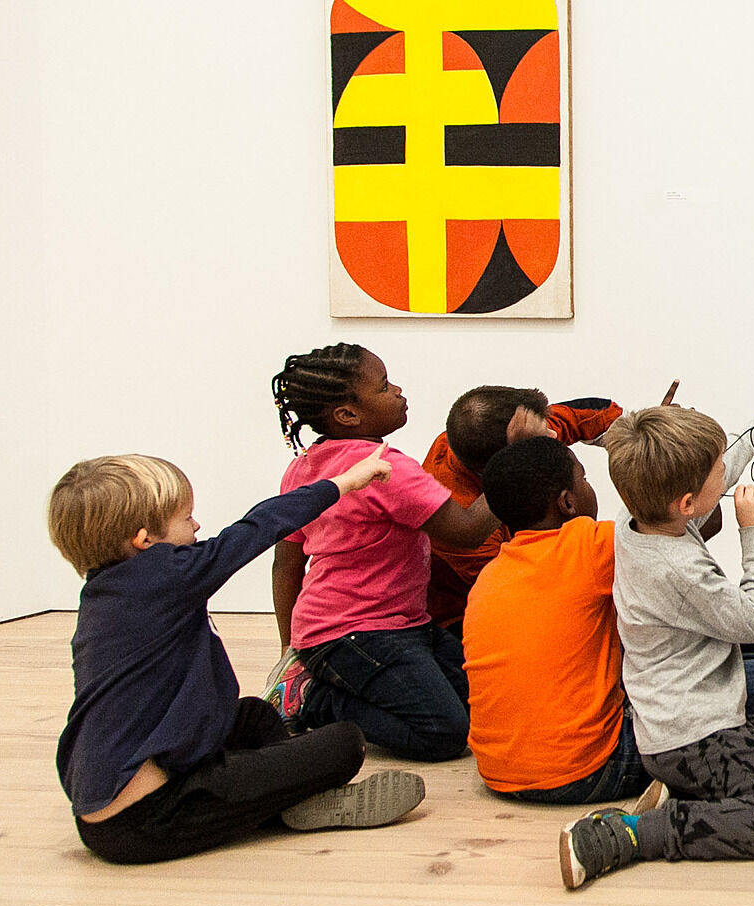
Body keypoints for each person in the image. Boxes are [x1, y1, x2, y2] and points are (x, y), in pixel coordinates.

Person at [49, 450, 425, 864]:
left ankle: (287, 797)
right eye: (185, 517)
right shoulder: (167, 577)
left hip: (115, 801)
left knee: (252, 716)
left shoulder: (105, 594)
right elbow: (258, 527)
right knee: (344, 743)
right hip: (149, 820)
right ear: (145, 540)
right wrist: (345, 482)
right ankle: (293, 801)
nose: (196, 526)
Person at [559, 392, 754, 889]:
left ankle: (697, 797)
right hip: (694, 738)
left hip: (713, 717)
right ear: (687, 503)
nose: (727, 475)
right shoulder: (677, 568)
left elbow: (714, 471)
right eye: (717, 471)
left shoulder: (639, 521)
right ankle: (635, 833)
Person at [265, 345, 499, 762]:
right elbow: (464, 532)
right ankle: (312, 699)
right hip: (353, 634)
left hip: (394, 625)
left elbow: (286, 564)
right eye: (384, 386)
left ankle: (311, 674)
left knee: (485, 704)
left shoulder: (305, 466)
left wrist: (292, 647)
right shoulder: (388, 469)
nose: (398, 391)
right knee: (443, 733)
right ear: (348, 415)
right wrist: (513, 464)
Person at [461, 437, 659, 808]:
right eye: (584, 479)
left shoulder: (490, 575)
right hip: (587, 771)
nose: (589, 486)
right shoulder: (587, 544)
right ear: (568, 502)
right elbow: (686, 523)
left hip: (499, 773)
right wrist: (654, 458)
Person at [420, 384, 627, 629]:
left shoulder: (498, 433)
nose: (554, 438)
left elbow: (593, 414)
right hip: (467, 615)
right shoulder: (459, 521)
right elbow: (529, 584)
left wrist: (649, 437)